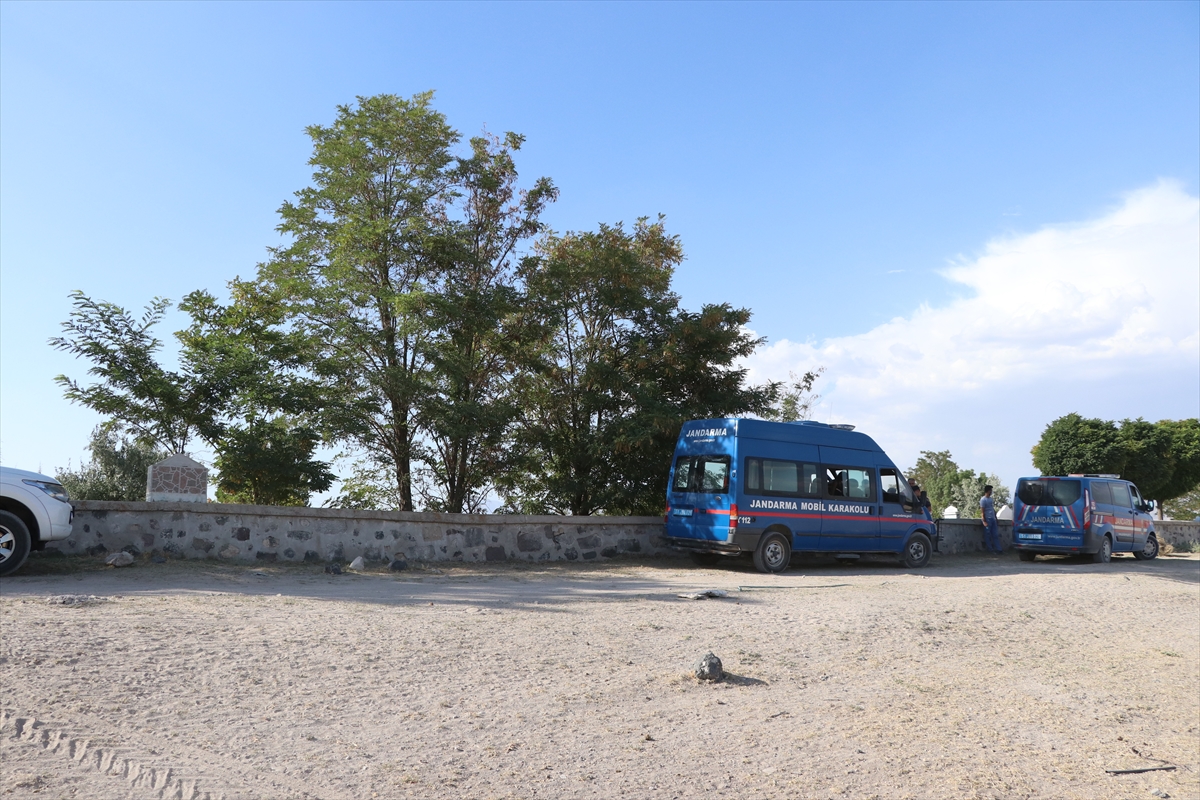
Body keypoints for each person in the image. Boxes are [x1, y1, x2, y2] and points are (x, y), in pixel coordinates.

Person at [980, 485, 1001, 554]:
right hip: (988, 519)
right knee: (987, 535)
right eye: (990, 490)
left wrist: (996, 517)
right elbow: (982, 511)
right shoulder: (983, 500)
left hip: (993, 518)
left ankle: (999, 549)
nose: (991, 492)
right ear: (988, 491)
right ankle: (990, 549)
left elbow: (992, 509)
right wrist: (984, 521)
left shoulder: (990, 499)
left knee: (995, 535)